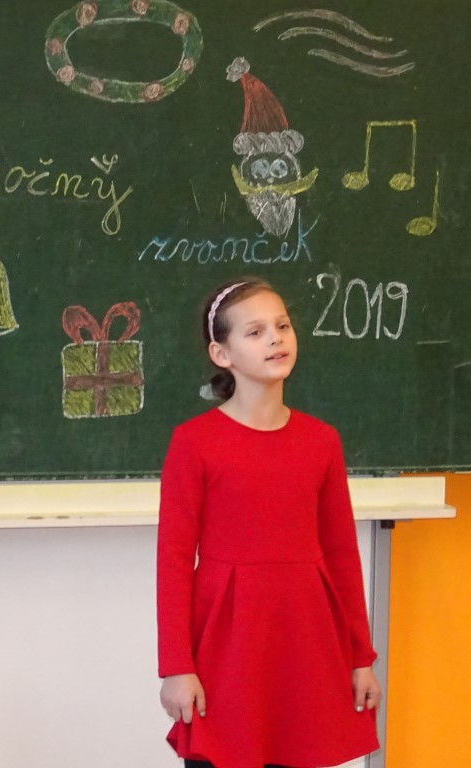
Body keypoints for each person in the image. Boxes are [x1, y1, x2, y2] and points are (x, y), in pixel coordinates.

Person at [156, 277, 381, 768]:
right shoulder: (194, 442)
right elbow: (173, 560)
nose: (276, 338)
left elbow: (342, 555)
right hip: (227, 649)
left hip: (306, 642)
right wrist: (176, 666)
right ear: (222, 354)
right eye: (255, 332)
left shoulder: (321, 441)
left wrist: (360, 657)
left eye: (282, 326)